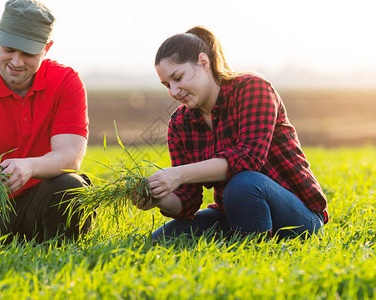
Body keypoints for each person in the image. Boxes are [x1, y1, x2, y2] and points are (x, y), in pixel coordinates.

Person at [132, 26, 328, 240]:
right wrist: (159, 196)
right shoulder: (180, 123)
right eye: (167, 85)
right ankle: (245, 236)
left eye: (178, 77)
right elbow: (187, 201)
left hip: (298, 217)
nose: (173, 91)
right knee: (165, 237)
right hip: (233, 213)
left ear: (203, 62)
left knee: (243, 183)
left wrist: (177, 174)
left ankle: (254, 252)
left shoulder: (253, 89)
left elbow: (248, 158)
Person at [0, 0, 94, 246]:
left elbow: (70, 157)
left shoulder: (67, 82)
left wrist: (29, 167)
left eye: (28, 53)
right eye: (9, 49)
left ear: (47, 48)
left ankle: (42, 241)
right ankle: (27, 239)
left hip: (41, 197)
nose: (17, 61)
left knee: (71, 187)